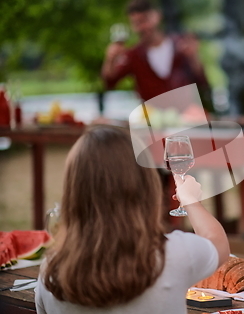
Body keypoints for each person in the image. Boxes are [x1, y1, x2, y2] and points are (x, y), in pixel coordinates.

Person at [35, 126, 229, 314]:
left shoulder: (50, 270)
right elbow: (217, 243)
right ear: (145, 186)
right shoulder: (173, 254)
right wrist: (191, 201)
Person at [101, 0, 212, 110]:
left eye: (144, 20)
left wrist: (193, 57)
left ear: (157, 16)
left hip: (187, 118)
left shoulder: (181, 47)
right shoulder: (133, 55)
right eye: (136, 23)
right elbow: (109, 82)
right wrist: (110, 59)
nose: (142, 27)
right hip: (153, 121)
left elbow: (203, 82)